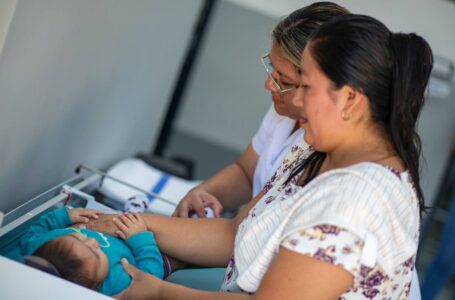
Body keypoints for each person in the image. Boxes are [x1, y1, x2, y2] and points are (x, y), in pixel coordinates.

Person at [86, 13, 433, 299]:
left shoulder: (352, 202)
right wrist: (137, 223)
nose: (295, 102)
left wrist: (159, 293)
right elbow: (235, 234)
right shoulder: (316, 147)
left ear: (350, 100)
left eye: (306, 87)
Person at [172, 2, 350, 218]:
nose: (268, 84)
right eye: (272, 70)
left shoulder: (330, 153)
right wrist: (202, 193)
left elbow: (236, 232)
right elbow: (247, 173)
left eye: (283, 79)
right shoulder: (284, 110)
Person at [19, 207, 168, 296]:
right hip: (148, 247)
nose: (94, 241)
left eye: (79, 238)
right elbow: (151, 276)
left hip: (117, 220)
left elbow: (33, 232)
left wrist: (65, 216)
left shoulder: (39, 244)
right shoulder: (114, 284)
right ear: (94, 288)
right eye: (97, 253)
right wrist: (141, 239)